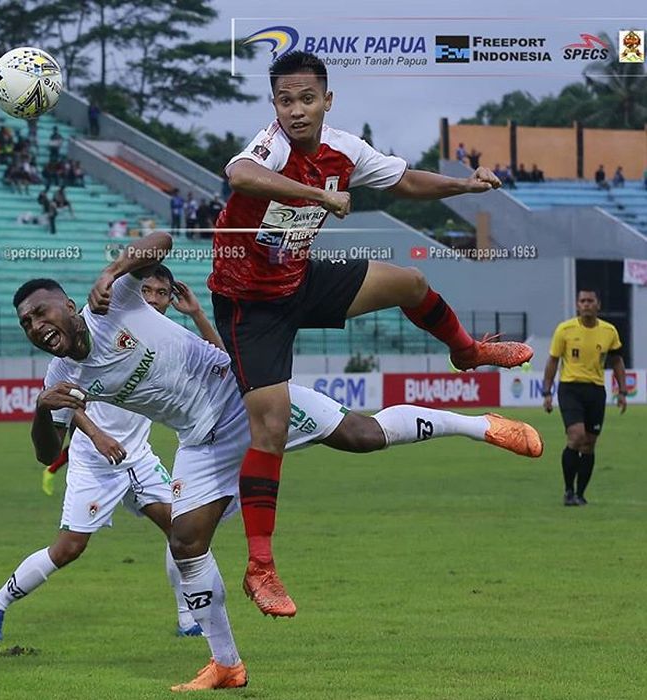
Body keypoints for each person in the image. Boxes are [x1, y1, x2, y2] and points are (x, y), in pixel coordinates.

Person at [11, 232, 541, 690]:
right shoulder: (61, 380)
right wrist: (41, 410)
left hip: (244, 393)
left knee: (361, 435)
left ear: (65, 304)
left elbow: (161, 244)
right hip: (200, 441)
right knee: (186, 540)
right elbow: (48, 452)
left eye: (40, 312)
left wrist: (114, 268)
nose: (36, 326)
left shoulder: (115, 300)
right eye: (26, 324)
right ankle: (225, 665)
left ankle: (481, 425)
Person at [207, 50, 533, 617]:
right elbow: (238, 173)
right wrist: (320, 196)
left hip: (298, 280)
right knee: (273, 428)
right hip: (248, 305)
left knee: (408, 281)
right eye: (285, 100)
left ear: (327, 101)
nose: (296, 110)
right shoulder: (272, 147)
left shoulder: (344, 148)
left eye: (307, 99)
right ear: (274, 105)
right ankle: (261, 568)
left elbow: (403, 180)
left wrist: (464, 187)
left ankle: (466, 351)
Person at [0, 270, 215, 644]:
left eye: (160, 293)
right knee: (69, 548)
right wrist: (98, 435)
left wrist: (198, 315)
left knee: (182, 532)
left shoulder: (158, 337)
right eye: (145, 289)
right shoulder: (102, 325)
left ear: (170, 300)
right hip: (96, 463)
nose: (151, 297)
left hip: (139, 457)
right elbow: (71, 393)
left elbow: (219, 359)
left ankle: (188, 618)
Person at [541, 289, 626, 506]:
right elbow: (553, 361)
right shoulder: (565, 329)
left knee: (589, 444)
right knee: (576, 437)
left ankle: (580, 494)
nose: (586, 304)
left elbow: (616, 361)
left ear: (598, 304)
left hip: (596, 391)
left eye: (590, 301)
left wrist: (623, 391)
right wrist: (547, 392)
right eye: (582, 301)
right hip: (570, 388)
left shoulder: (609, 331)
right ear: (577, 305)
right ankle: (568, 491)